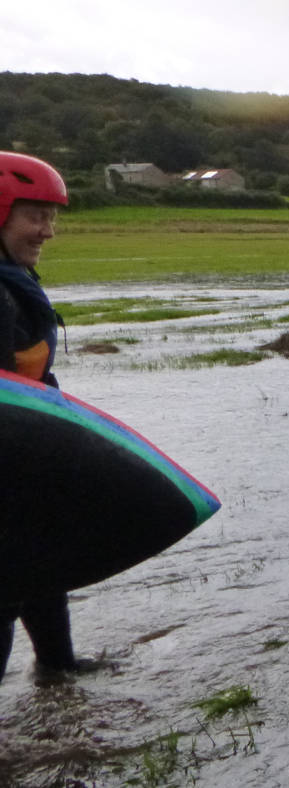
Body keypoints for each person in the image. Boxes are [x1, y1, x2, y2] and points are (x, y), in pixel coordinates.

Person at [0, 151, 87, 684]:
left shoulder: (13, 280)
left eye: (52, 217)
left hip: (17, 456)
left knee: (44, 562)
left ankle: (57, 670)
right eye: (35, 215)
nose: (47, 230)